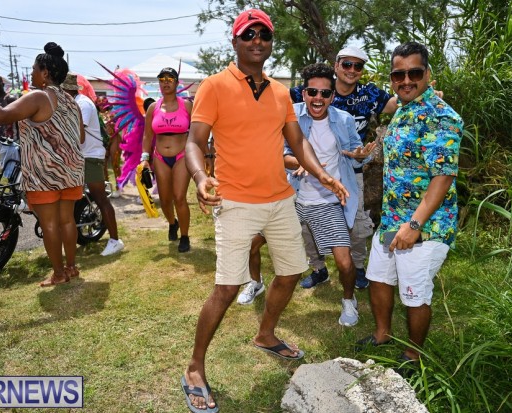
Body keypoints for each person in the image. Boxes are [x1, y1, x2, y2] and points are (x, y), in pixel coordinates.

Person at [181, 9, 348, 412]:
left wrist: (322, 175)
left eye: (265, 35)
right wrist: (201, 177)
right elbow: (194, 142)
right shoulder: (214, 86)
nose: (258, 41)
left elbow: (298, 140)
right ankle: (194, 367)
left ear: (271, 43)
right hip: (236, 202)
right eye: (249, 34)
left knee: (290, 272)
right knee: (227, 288)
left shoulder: (280, 92)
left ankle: (266, 334)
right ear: (235, 41)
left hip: (280, 200)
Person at [356, 42, 462, 368]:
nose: (406, 80)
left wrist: (414, 225)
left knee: (414, 292)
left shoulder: (441, 117)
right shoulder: (404, 108)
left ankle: (414, 355)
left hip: (425, 226)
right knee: (378, 277)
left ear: (427, 74)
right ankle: (383, 333)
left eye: (414, 73)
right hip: (392, 221)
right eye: (398, 74)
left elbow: (443, 177)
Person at [0, 42, 85, 287]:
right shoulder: (72, 102)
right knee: (67, 220)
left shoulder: (38, 97)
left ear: (45, 73)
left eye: (35, 69)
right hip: (71, 171)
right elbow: (79, 137)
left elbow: (1, 115)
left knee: (49, 224)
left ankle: (59, 274)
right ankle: (71, 267)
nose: (32, 73)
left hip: (44, 174)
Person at [284, 63, 375, 326]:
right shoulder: (291, 116)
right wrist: (299, 163)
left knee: (345, 262)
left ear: (332, 96)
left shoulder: (343, 120)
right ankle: (254, 282)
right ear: (304, 93)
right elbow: (281, 154)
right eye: (312, 92)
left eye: (325, 93)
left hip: (329, 201)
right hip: (296, 196)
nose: (318, 98)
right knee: (257, 240)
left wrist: (359, 155)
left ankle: (348, 300)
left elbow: (355, 152)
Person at [61, 73, 125, 256]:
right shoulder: (72, 103)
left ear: (69, 90)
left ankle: (115, 240)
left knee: (100, 198)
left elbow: (76, 132)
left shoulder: (83, 104)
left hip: (90, 157)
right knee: (70, 200)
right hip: (77, 157)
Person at [140, 68, 193, 253]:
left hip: (182, 156)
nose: (165, 82)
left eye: (170, 79)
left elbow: (196, 131)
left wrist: (201, 154)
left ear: (177, 83)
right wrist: (145, 158)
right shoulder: (153, 108)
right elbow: (147, 135)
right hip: (160, 157)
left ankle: (185, 236)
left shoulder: (187, 106)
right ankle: (172, 223)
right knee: (164, 200)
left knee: (179, 197)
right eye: (162, 79)